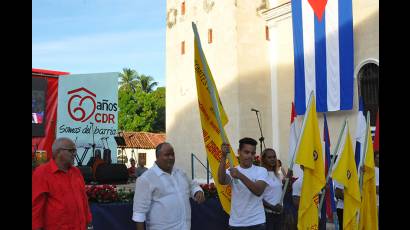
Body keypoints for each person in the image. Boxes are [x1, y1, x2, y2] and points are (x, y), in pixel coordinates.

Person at [132, 142, 205, 230]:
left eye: (172, 154)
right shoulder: (146, 179)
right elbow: (139, 214)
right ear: (157, 157)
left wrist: (197, 191)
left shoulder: (180, 173)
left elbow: (192, 185)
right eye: (167, 155)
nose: (171, 158)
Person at [32, 137, 92, 230]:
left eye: (75, 150)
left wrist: (88, 222)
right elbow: (36, 206)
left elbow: (83, 199)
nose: (75, 154)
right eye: (71, 150)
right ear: (58, 152)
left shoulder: (76, 172)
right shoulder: (42, 173)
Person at [218, 137, 269, 230]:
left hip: (257, 223)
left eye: (253, 153)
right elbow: (221, 180)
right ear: (239, 152)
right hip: (236, 223)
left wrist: (240, 175)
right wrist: (223, 156)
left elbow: (258, 191)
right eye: (246, 152)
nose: (250, 156)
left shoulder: (261, 171)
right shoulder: (233, 170)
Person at [260, 148, 283, 230]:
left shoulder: (277, 174)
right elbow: (258, 197)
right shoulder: (261, 174)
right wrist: (272, 207)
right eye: (269, 157)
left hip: (279, 214)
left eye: (274, 157)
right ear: (264, 159)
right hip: (268, 215)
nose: (273, 159)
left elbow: (277, 192)